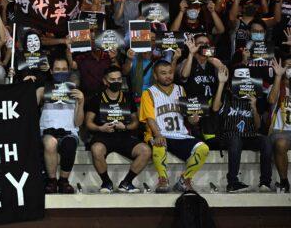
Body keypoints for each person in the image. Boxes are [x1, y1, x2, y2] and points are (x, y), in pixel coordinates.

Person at [139, 60, 210, 192]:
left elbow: (186, 114)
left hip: (180, 134)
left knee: (204, 149)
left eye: (170, 72)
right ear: (155, 76)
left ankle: (184, 180)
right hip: (160, 134)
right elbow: (149, 118)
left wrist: (192, 119)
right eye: (163, 73)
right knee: (159, 144)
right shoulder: (148, 93)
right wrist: (158, 134)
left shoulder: (180, 89)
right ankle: (163, 180)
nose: (168, 76)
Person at [86, 66, 151, 193]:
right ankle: (106, 182)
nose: (116, 82)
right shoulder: (96, 98)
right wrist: (100, 128)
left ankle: (126, 182)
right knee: (96, 149)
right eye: (112, 79)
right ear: (105, 81)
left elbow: (135, 122)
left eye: (119, 79)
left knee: (146, 151)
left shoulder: (127, 97)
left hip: (124, 135)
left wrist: (125, 127)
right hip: (103, 135)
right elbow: (88, 123)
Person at [213, 65, 272, 192]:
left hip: (249, 135)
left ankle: (265, 182)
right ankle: (233, 182)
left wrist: (254, 108)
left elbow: (258, 126)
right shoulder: (227, 96)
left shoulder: (253, 97)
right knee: (235, 139)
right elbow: (215, 108)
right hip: (230, 135)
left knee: (266, 141)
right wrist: (221, 84)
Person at [35, 56, 84, 194]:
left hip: (69, 131)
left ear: (68, 71)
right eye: (57, 69)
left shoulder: (75, 92)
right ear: (51, 71)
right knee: (50, 143)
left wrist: (81, 102)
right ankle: (51, 181)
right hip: (47, 130)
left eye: (63, 69)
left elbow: (79, 122)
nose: (60, 72)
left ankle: (63, 181)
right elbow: (29, 110)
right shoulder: (43, 90)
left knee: (69, 144)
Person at [268, 55, 291, 193]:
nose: (289, 69)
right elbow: (271, 100)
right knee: (281, 144)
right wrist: (278, 77)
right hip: (279, 132)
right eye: (287, 66)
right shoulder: (277, 86)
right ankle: (284, 181)